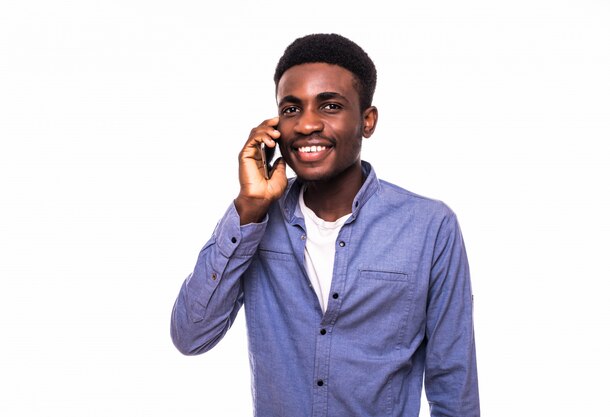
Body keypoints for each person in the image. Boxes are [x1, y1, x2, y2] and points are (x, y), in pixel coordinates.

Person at [171, 33, 480, 417]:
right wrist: (249, 208)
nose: (306, 125)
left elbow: (454, 384)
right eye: (291, 109)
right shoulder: (257, 220)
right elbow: (190, 336)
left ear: (367, 121)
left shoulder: (431, 227)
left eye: (330, 106)